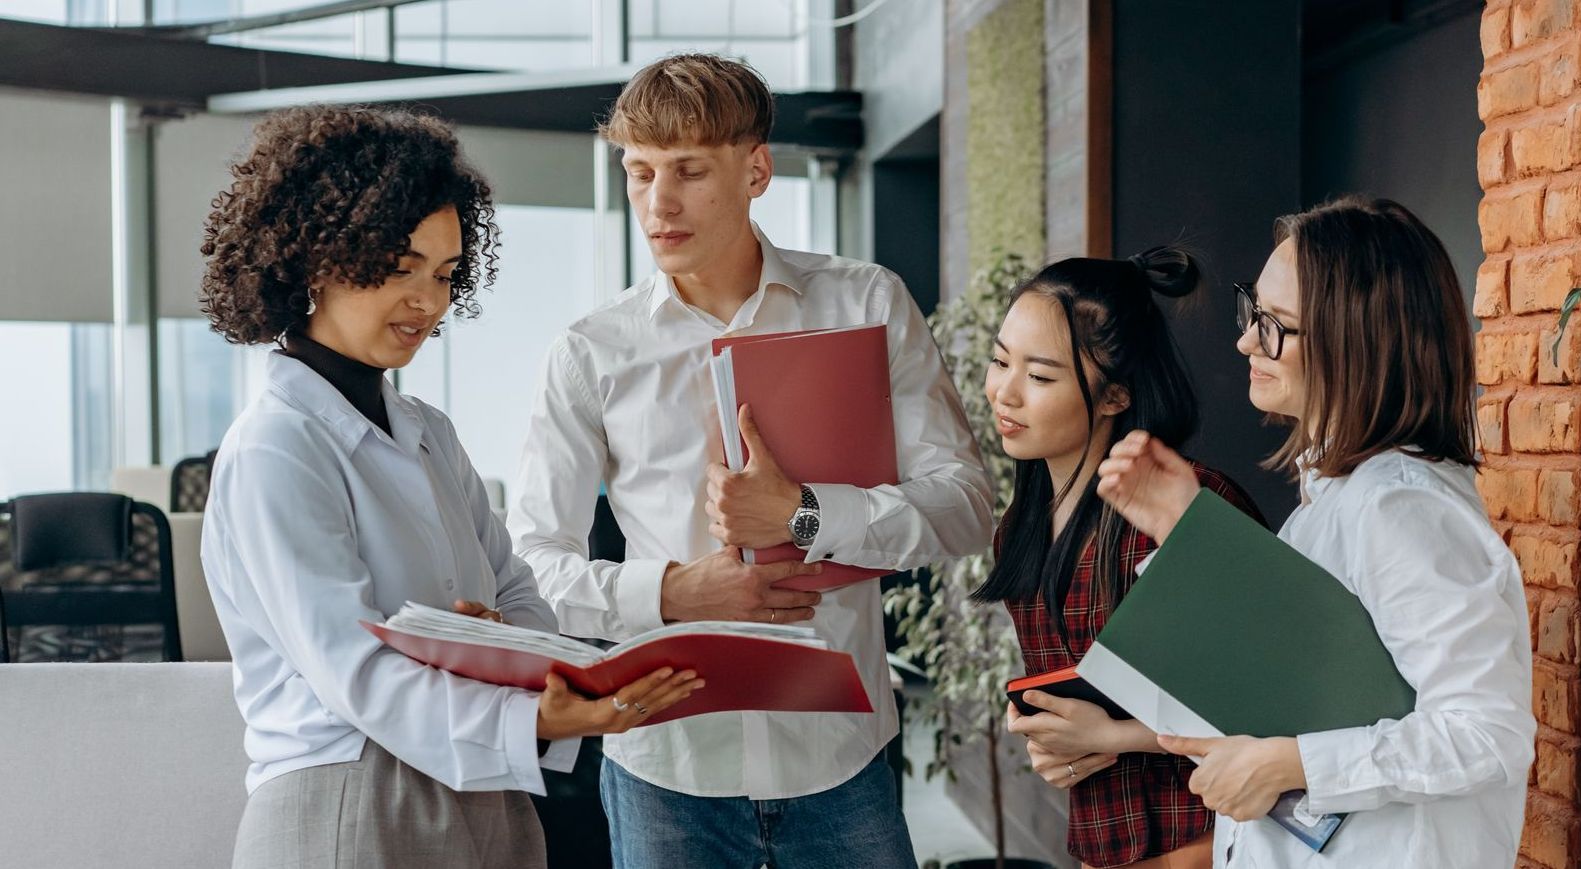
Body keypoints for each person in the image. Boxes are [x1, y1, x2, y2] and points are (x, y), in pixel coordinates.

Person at [507, 53, 993, 869]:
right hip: (666, 764)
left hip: (841, 754)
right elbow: (531, 565)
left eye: (690, 171)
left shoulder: (867, 302)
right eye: (639, 173)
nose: (658, 203)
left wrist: (805, 512)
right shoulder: (590, 353)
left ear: (756, 170)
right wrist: (672, 589)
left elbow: (966, 504)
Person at [198, 106, 700, 869]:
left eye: (443, 274)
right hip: (348, 800)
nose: (428, 303)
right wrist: (522, 702)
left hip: (484, 794)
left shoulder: (429, 429)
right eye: (399, 268)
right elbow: (353, 669)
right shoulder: (277, 444)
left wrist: (505, 653)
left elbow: (518, 594)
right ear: (314, 260)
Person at [1095, 197, 1536, 868]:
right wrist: (1188, 535)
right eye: (1253, 312)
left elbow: (1486, 731)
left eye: (1274, 326)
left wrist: (1286, 762)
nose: (1246, 341)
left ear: (1353, 339)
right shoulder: (1338, 497)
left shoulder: (1401, 509)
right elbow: (1311, 680)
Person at [972, 249, 1264, 869]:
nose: (1005, 392)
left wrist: (1110, 737)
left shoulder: (1192, 505)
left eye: (1041, 377)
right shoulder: (1017, 532)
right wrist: (1049, 735)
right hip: (1102, 849)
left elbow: (1270, 706)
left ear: (1115, 397)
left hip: (1215, 846)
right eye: (1001, 362)